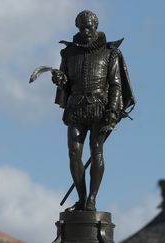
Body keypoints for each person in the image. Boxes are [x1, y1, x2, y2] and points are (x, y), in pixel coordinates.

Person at [52, 10, 134, 211]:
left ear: (95, 25)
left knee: (96, 150)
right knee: (73, 153)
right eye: (82, 27)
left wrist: (113, 111)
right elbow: (66, 84)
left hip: (100, 107)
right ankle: (81, 198)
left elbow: (115, 84)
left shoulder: (110, 52)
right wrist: (60, 81)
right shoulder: (69, 53)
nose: (86, 31)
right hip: (76, 107)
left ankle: (92, 199)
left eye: (89, 27)